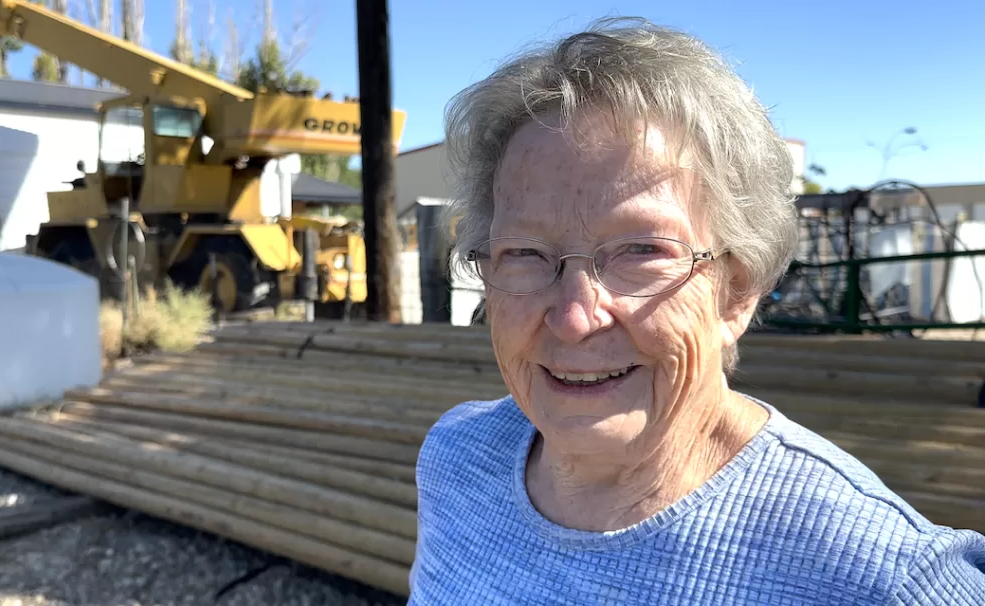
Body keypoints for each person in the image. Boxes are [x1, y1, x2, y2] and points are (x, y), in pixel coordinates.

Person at [407, 17, 985, 605]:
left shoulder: (882, 578)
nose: (576, 317)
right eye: (525, 253)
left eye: (640, 251)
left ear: (735, 290)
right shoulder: (456, 457)